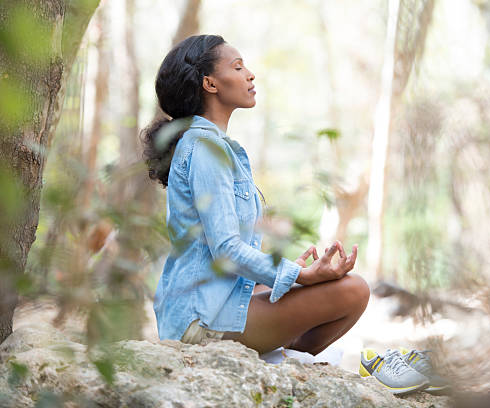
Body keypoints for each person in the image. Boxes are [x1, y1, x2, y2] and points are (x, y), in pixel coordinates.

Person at [141, 34, 370, 356]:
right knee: (354, 291)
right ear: (210, 83)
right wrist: (300, 276)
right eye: (237, 67)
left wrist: (293, 274)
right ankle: (287, 360)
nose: (249, 74)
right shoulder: (205, 148)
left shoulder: (213, 145)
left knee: (303, 286)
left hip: (214, 300)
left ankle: (282, 355)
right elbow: (226, 249)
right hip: (200, 318)